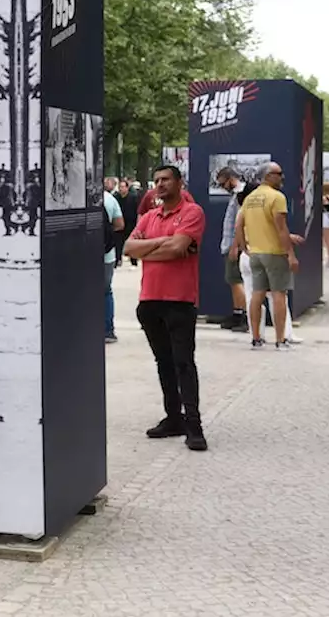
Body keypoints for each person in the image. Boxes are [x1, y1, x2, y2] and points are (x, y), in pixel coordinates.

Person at [123, 165, 208, 452]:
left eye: (166, 180)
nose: (160, 185)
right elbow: (128, 248)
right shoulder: (149, 216)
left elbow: (177, 248)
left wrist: (149, 247)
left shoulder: (192, 212)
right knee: (164, 363)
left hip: (180, 300)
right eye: (156, 180)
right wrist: (163, 243)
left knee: (184, 362)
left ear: (179, 182)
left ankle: (194, 425)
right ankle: (173, 417)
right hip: (149, 301)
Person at [236, 161, 299, 349]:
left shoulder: (250, 198)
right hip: (274, 252)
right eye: (278, 173)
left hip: (255, 253)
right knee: (279, 294)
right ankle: (280, 339)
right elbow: (281, 228)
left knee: (257, 294)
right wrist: (291, 254)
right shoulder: (277, 197)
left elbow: (239, 225)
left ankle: (256, 337)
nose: (282, 177)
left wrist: (244, 247)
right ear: (268, 176)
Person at [215, 166, 248, 333]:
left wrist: (235, 246)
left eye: (223, 183)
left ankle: (245, 316)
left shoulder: (241, 195)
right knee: (233, 281)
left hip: (234, 245)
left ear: (230, 179)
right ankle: (237, 312)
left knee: (236, 281)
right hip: (229, 244)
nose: (223, 187)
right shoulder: (235, 195)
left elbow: (239, 223)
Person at [103, 188, 125, 343]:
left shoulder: (76, 195)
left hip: (82, 254)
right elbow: (120, 224)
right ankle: (108, 330)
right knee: (106, 291)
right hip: (106, 254)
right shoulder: (109, 198)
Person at [119, 178, 141, 267]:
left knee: (132, 242)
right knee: (119, 241)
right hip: (121, 222)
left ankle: (134, 260)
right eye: (120, 187)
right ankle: (118, 259)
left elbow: (137, 210)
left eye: (123, 187)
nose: (121, 189)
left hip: (131, 223)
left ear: (127, 188)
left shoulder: (133, 197)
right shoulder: (116, 197)